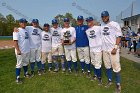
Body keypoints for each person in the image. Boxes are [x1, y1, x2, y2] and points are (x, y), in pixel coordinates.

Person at [100, 11, 122, 93]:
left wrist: (115, 47)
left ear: (108, 16)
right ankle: (109, 80)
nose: (104, 18)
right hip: (105, 50)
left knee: (116, 67)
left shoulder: (115, 24)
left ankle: (118, 85)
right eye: (102, 17)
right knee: (107, 66)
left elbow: (119, 36)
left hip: (113, 50)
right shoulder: (101, 25)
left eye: (105, 16)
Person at [85, 17, 102, 85]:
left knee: (98, 64)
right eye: (87, 21)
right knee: (93, 63)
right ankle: (95, 75)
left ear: (92, 21)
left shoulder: (98, 28)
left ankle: (99, 78)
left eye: (89, 21)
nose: (88, 22)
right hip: (91, 48)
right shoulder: (87, 31)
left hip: (98, 49)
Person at [13, 18, 30, 84]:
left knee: (25, 63)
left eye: (25, 22)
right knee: (19, 64)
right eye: (22, 22)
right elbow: (15, 42)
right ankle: (17, 78)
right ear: (19, 23)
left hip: (26, 50)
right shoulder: (17, 31)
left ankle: (26, 74)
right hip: (20, 50)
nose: (24, 23)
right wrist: (18, 50)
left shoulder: (26, 30)